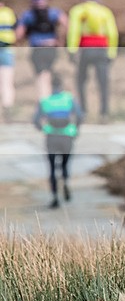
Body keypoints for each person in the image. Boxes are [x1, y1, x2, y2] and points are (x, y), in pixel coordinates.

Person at [67, 0, 119, 123]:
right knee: (103, 82)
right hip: (102, 49)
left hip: (85, 50)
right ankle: (104, 113)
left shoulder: (78, 11)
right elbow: (112, 33)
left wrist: (72, 50)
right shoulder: (105, 11)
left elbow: (74, 31)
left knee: (81, 81)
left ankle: (83, 112)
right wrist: (112, 52)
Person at [33, 74, 83, 209]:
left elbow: (36, 120)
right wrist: (76, 129)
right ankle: (66, 181)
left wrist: (43, 128)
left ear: (51, 86)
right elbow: (79, 116)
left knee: (52, 168)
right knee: (65, 164)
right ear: (61, 86)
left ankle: (55, 197)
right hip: (67, 136)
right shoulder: (69, 99)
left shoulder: (45, 101)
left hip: (51, 136)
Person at [16, 0, 66, 99]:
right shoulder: (54, 12)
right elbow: (66, 24)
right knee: (49, 72)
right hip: (51, 47)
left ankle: (44, 101)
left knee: (41, 76)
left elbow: (19, 33)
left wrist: (22, 41)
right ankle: (52, 98)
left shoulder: (28, 14)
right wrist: (60, 41)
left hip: (37, 48)